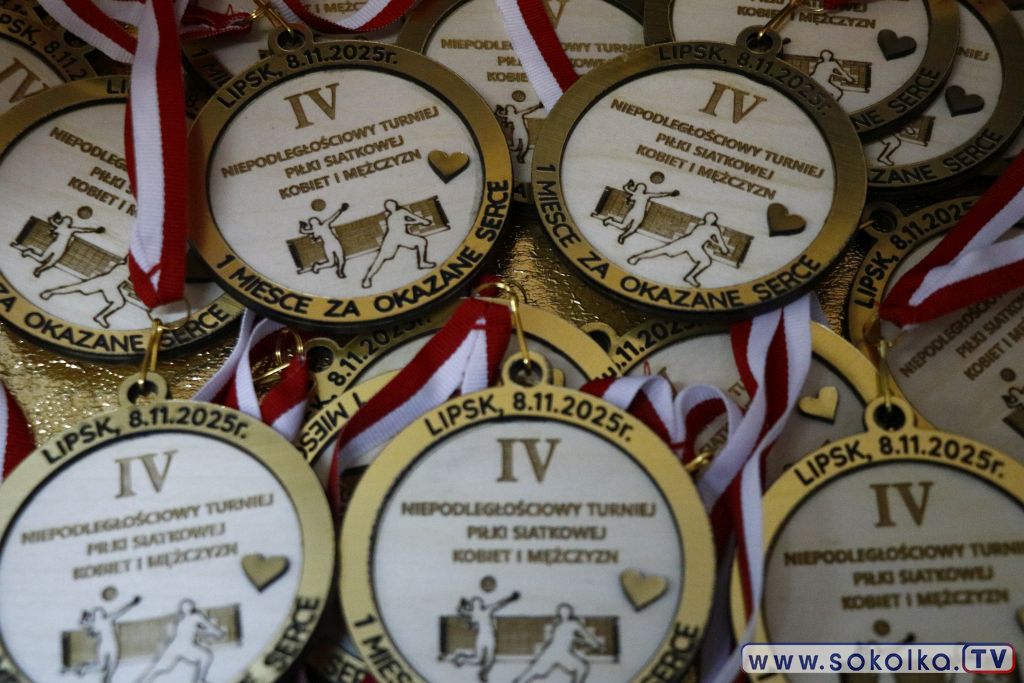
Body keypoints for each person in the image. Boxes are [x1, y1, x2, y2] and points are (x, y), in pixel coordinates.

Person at [627, 211, 726, 288]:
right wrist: (722, 247)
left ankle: (690, 277)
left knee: (706, 261)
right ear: (708, 219)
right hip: (687, 242)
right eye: (710, 217)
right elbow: (714, 239)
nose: (712, 219)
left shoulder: (711, 228)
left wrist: (721, 247)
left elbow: (717, 239)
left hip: (695, 246)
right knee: (663, 250)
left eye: (713, 218)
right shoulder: (704, 226)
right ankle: (637, 257)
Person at [137, 599, 225, 683]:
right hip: (182, 646)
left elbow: (201, 629)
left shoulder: (184, 619)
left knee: (205, 656)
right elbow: (207, 627)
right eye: (189, 606)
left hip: (177, 646)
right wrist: (217, 632)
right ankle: (200, 680)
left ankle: (200, 680)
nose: (190, 608)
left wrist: (215, 632)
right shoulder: (194, 617)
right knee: (205, 656)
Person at [511, 603, 601, 683]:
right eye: (562, 612)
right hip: (554, 651)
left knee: (581, 667)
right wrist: (594, 643)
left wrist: (594, 643)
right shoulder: (561, 625)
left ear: (570, 613)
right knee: (534, 670)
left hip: (561, 653)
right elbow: (567, 638)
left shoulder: (571, 624)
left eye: (566, 612)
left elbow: (583, 635)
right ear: (560, 613)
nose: (564, 614)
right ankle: (519, 680)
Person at [442, 591, 520, 681]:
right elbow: (461, 612)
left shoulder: (483, 612)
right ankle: (464, 660)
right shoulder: (475, 614)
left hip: (489, 637)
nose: (477, 606)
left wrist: (511, 598)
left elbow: (499, 603)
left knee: (489, 659)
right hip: (483, 637)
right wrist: (511, 598)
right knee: (480, 659)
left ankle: (478, 669)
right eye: (475, 604)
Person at [362, 199, 435, 289]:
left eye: (393, 204)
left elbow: (404, 222)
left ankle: (422, 262)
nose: (393, 205)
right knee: (381, 258)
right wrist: (423, 221)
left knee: (421, 241)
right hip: (395, 238)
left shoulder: (391, 217)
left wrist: (421, 222)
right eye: (391, 205)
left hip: (396, 237)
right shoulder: (401, 212)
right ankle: (367, 278)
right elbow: (414, 218)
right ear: (390, 207)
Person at [40, 257, 130, 329]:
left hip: (110, 286)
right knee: (77, 287)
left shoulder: (128, 269)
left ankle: (100, 317)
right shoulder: (124, 267)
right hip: (104, 282)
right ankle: (50, 292)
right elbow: (126, 277)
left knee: (119, 302)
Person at [70, 595, 141, 683]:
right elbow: (120, 612)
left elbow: (120, 612)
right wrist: (132, 603)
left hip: (111, 646)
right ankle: (83, 670)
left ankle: (85, 671)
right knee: (104, 667)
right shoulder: (98, 623)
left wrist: (132, 603)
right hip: (106, 646)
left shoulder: (103, 621)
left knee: (108, 668)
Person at [30, 211, 105, 278]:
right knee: (42, 258)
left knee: (52, 262)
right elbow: (51, 220)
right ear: (62, 222)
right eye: (64, 221)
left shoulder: (70, 230)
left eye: (67, 222)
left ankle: (39, 270)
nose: (65, 223)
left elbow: (83, 230)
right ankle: (29, 252)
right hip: (55, 245)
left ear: (69, 224)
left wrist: (95, 230)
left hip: (61, 248)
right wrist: (55, 215)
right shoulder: (58, 227)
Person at [601, 181, 680, 244]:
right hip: (633, 212)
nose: (641, 189)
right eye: (639, 188)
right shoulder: (635, 194)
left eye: (642, 188)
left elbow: (659, 195)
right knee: (623, 226)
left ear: (643, 190)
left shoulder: (646, 195)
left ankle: (622, 237)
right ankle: (609, 221)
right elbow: (626, 188)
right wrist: (629, 183)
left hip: (640, 214)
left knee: (633, 229)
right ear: (637, 189)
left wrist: (670, 193)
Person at [298, 203, 349, 278]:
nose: (316, 223)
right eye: (314, 223)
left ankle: (340, 272)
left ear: (318, 222)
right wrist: (341, 209)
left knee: (341, 259)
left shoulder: (323, 226)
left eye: (316, 221)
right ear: (313, 225)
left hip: (334, 243)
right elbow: (303, 231)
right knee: (331, 263)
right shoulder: (316, 229)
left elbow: (333, 217)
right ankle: (318, 266)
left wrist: (341, 209)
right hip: (329, 245)